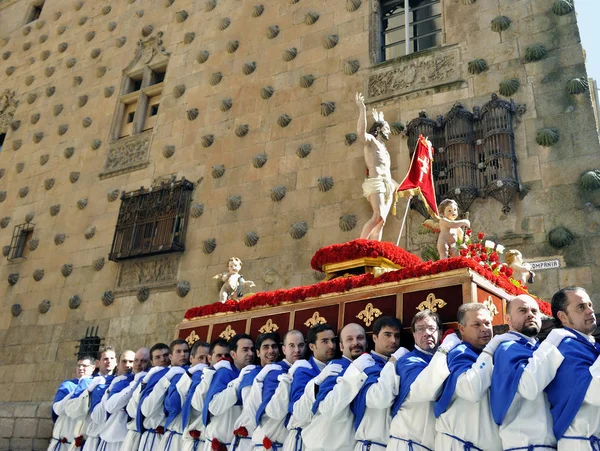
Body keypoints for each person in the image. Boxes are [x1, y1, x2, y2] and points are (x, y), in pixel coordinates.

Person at [528, 287, 600, 450]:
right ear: (563, 316)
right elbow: (595, 394)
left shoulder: (591, 346)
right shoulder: (566, 347)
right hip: (580, 442)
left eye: (590, 305)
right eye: (581, 307)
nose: (590, 311)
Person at [434, 303, 511, 451]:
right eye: (476, 324)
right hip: (459, 445)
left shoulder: (495, 353)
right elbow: (471, 391)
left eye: (487, 323)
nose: (484, 329)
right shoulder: (460, 353)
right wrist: (490, 350)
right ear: (462, 329)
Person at [490, 295, 557, 450]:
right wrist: (553, 342)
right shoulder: (508, 348)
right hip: (525, 445)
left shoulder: (538, 348)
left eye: (534, 310)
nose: (530, 314)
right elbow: (528, 389)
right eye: (522, 310)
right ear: (507, 318)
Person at [387, 311, 455, 451]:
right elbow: (426, 390)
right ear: (413, 335)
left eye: (431, 328)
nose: (426, 333)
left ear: (440, 333)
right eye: (420, 329)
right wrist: (445, 348)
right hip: (406, 445)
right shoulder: (408, 361)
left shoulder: (447, 360)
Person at [302, 323, 368, 451]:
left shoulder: (369, 365)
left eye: (360, 338)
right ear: (341, 346)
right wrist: (354, 371)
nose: (356, 342)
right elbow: (327, 407)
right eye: (349, 339)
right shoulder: (335, 367)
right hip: (322, 446)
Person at [344, 316, 403, 451]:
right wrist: (392, 362)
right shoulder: (366, 363)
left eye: (397, 336)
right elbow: (379, 399)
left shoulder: (400, 364)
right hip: (370, 444)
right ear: (374, 337)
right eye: (387, 335)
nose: (393, 340)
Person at [283, 324, 337, 451]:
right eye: (325, 341)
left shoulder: (337, 366)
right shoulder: (304, 370)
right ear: (312, 346)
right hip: (303, 440)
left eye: (333, 340)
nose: (331, 345)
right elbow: (298, 412)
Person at [252, 330, 307, 451]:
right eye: (292, 345)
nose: (297, 350)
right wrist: (287, 379)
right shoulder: (275, 372)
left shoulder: (306, 369)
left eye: (301, 345)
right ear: (284, 350)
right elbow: (274, 412)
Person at [355, 92, 399, 241]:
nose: (389, 131)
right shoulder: (371, 142)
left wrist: (404, 188)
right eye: (386, 128)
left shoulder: (385, 151)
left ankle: (375, 249)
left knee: (381, 221)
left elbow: (388, 175)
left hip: (387, 185)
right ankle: (360, 245)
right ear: (379, 129)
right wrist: (362, 109)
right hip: (376, 182)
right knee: (377, 215)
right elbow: (361, 133)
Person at [202, 334, 256, 451]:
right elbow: (214, 407)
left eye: (252, 349)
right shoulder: (224, 373)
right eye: (245, 350)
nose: (250, 353)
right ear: (233, 354)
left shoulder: (254, 373)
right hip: (219, 445)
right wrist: (238, 382)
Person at [231, 333, 281, 451]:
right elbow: (252, 411)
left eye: (274, 347)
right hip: (249, 442)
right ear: (258, 353)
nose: (271, 351)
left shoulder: (284, 372)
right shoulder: (251, 374)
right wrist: (259, 379)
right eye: (265, 347)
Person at [157, 341, 210, 451]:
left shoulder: (210, 376)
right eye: (200, 358)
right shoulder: (180, 374)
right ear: (191, 359)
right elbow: (171, 406)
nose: (204, 363)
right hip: (174, 436)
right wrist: (188, 376)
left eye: (207, 359)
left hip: (194, 439)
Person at [138, 339, 190, 451]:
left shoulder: (192, 373)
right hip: (153, 435)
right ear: (171, 356)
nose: (183, 354)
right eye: (178, 351)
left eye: (186, 351)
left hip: (177, 437)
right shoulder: (158, 374)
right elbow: (146, 409)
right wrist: (165, 380)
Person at [64, 346, 117, 451]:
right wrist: (88, 391)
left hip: (107, 440)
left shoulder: (118, 382)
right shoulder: (87, 381)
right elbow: (70, 409)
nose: (109, 361)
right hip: (86, 438)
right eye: (105, 359)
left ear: (116, 362)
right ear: (98, 363)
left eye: (112, 358)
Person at [181, 340, 230, 451]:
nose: (204, 363)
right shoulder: (198, 376)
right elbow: (197, 404)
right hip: (193, 439)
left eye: (226, 356)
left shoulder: (227, 374)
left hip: (211, 440)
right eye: (200, 358)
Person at [47, 356, 95, 451]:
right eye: (79, 365)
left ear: (93, 367)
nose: (81, 368)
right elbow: (57, 409)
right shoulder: (68, 385)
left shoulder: (96, 384)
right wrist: (76, 391)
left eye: (84, 365)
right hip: (65, 435)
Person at [93, 350, 136, 451]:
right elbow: (97, 417)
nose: (128, 365)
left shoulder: (137, 383)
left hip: (127, 440)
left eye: (131, 362)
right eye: (124, 361)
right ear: (117, 364)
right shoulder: (104, 384)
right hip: (104, 438)